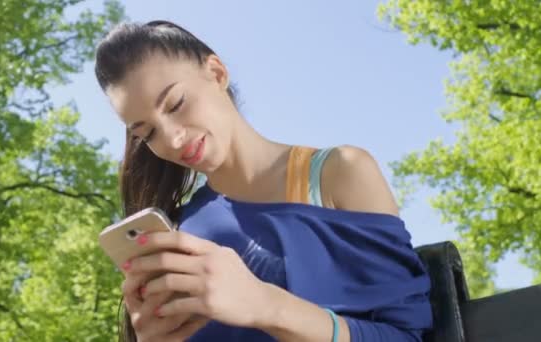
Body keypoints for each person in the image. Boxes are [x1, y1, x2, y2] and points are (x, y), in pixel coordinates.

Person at [94, 20, 432, 342]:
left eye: (176, 104)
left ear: (216, 72)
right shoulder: (179, 234)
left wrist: (265, 306)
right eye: (148, 133)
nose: (173, 139)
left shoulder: (339, 173)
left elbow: (405, 335)